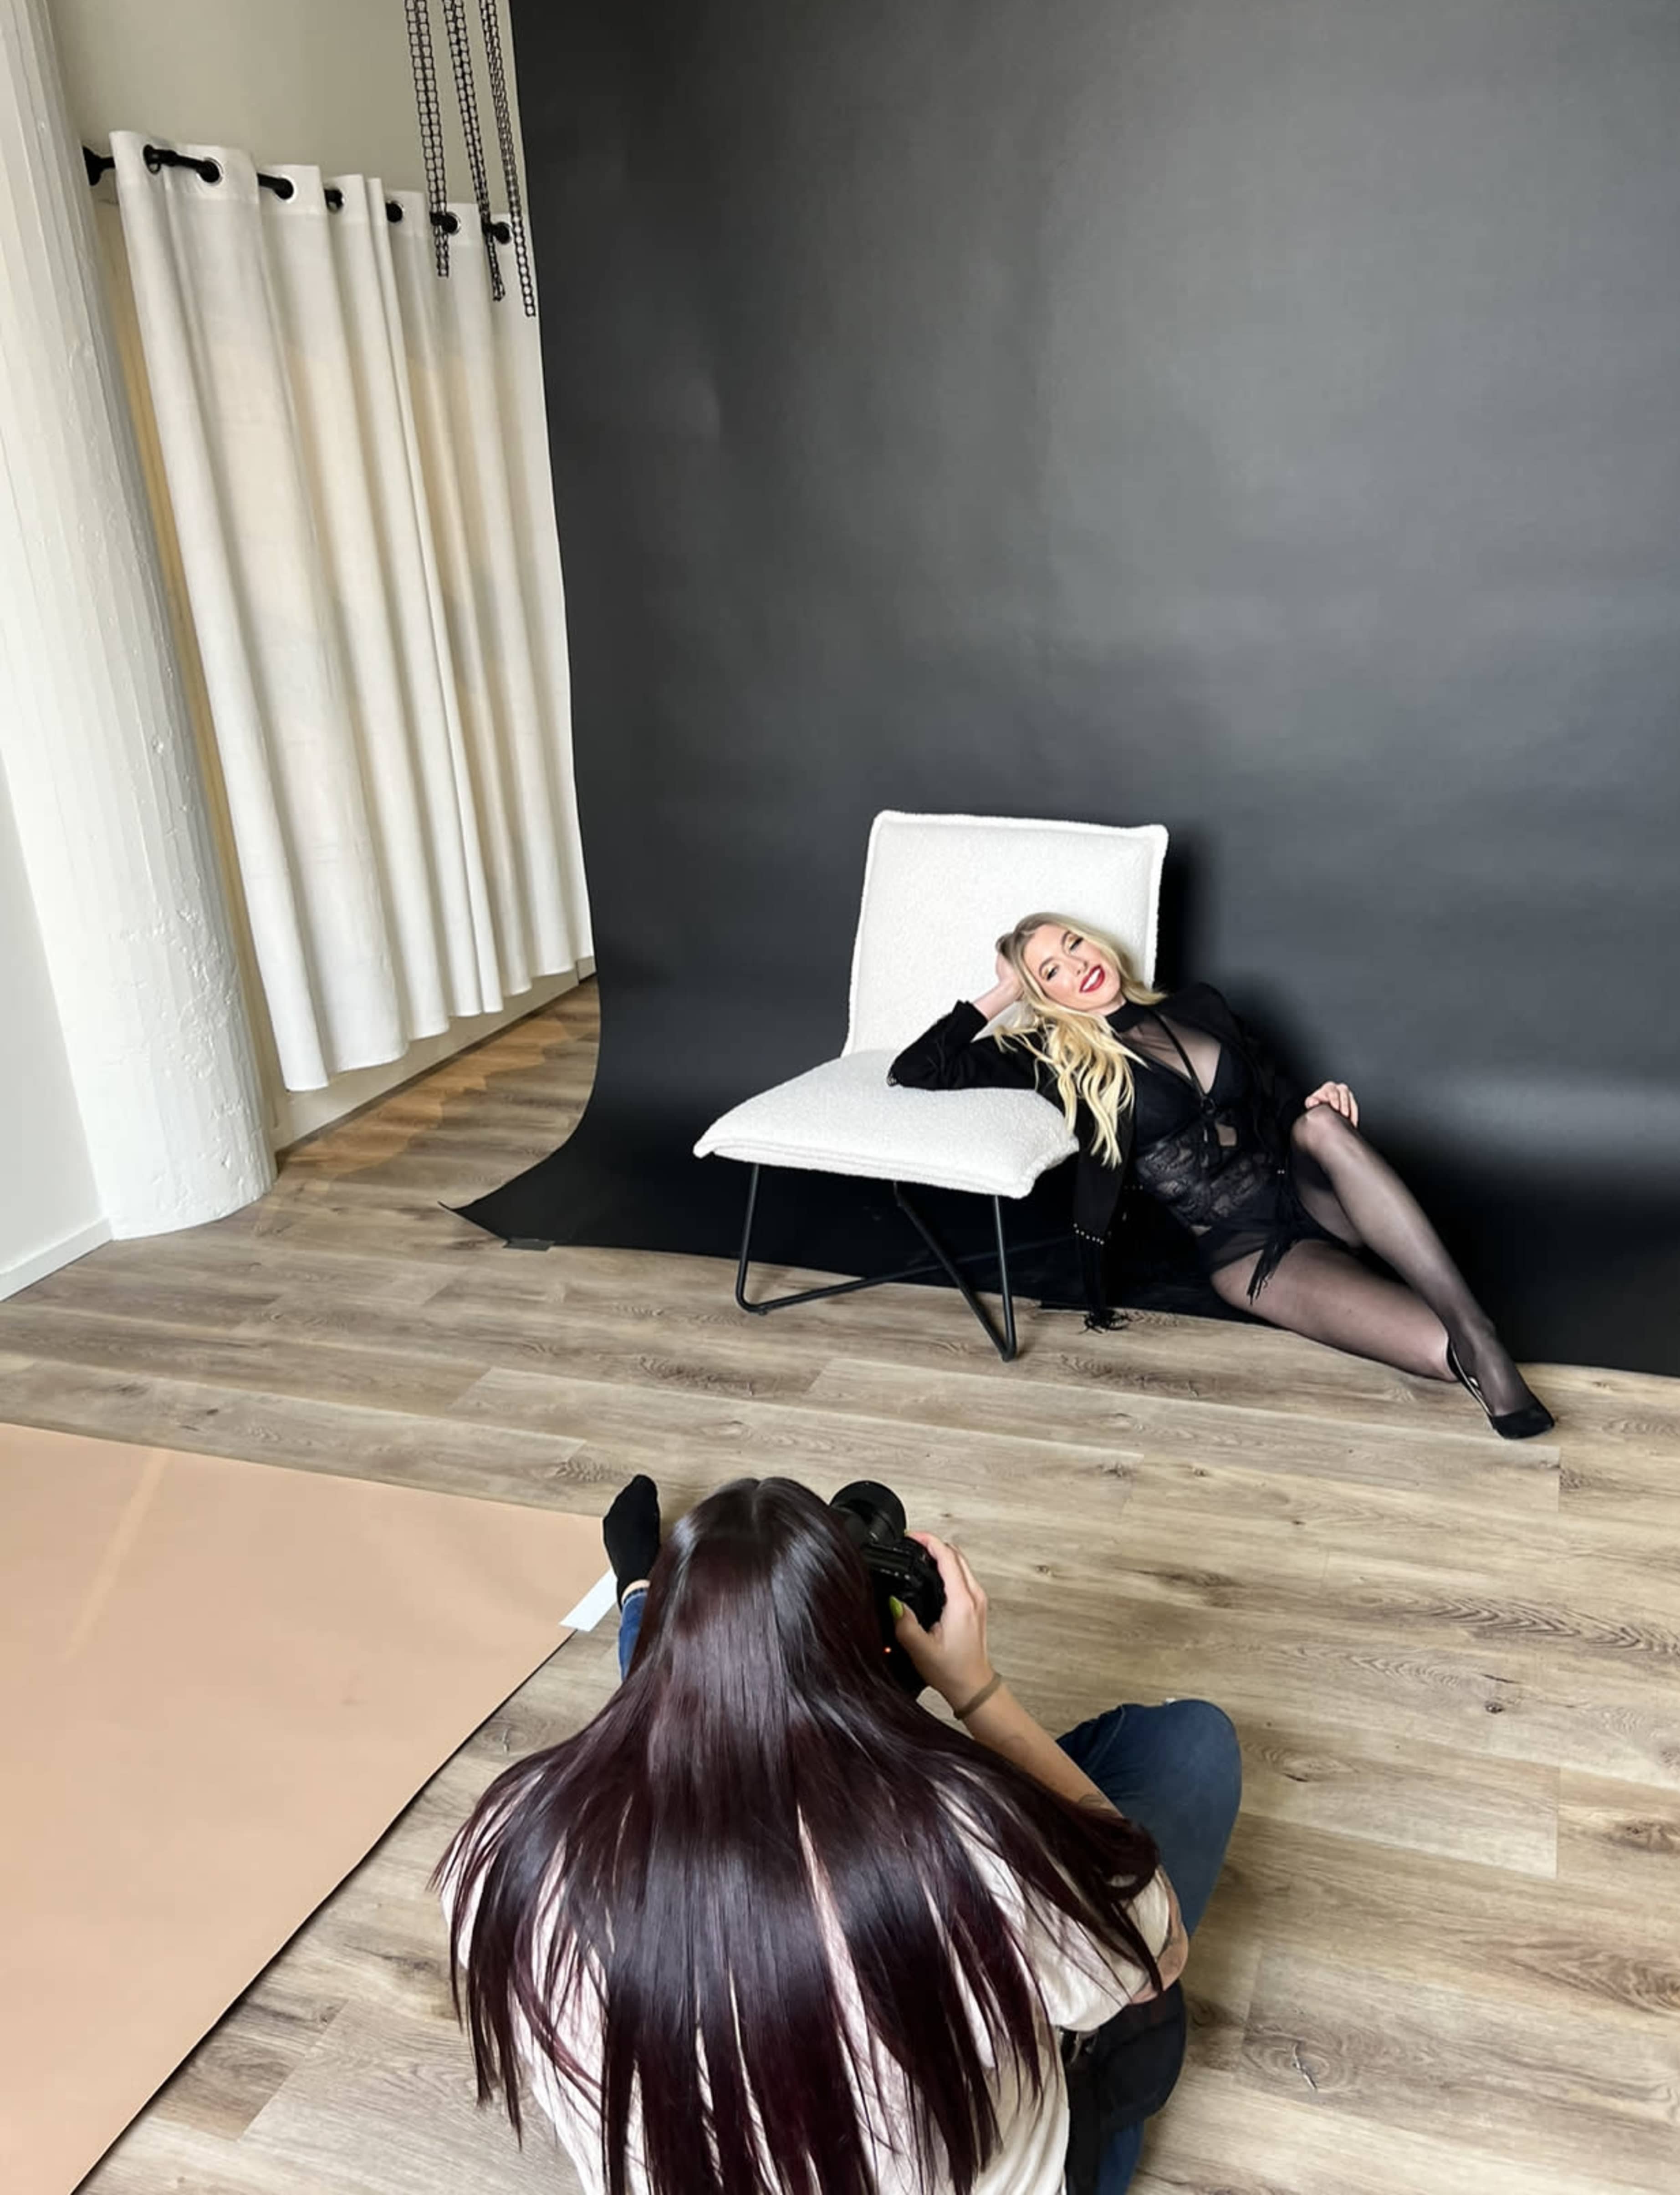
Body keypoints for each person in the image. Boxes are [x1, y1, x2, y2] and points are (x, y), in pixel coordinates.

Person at [440, 1474, 1241, 2195]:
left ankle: (644, 1591)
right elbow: (1152, 1957)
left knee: (693, 1725)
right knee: (1191, 1748)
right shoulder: (967, 1843)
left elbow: (688, 1734)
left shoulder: (508, 1841)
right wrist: (976, 1690)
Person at [889, 914, 1552, 1439]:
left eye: (1075, 943)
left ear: (1100, 943)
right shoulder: (1049, 1059)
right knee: (1438, 1352)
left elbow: (1278, 1098)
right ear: (1046, 996)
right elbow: (917, 1069)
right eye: (1051, 971)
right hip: (1252, 1254)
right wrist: (1006, 987)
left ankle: (1481, 1332)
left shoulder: (1200, 1005)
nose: (1078, 965)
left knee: (1320, 1127)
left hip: (1310, 1193)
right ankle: (1466, 1346)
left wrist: (1320, 1103)